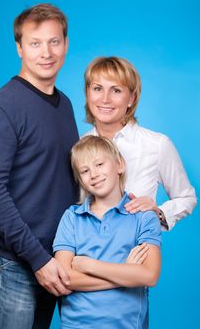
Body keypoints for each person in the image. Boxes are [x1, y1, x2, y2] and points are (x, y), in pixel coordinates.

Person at [0, 3, 79, 329]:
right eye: (35, 43)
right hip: (13, 265)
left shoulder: (64, 104)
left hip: (54, 260)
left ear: (65, 44)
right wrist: (38, 259)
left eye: (54, 42)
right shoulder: (2, 110)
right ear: (19, 48)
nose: (46, 52)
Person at [53, 135, 161, 328]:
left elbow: (148, 275)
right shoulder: (71, 217)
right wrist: (127, 275)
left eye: (100, 164)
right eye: (84, 171)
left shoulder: (144, 216)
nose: (93, 174)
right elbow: (65, 279)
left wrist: (88, 265)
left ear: (119, 165)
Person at [83, 56, 197, 230]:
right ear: (87, 93)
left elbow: (187, 198)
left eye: (116, 90)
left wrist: (158, 212)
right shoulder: (76, 146)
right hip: (87, 255)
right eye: (98, 88)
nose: (105, 99)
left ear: (131, 98)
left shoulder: (157, 145)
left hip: (139, 253)